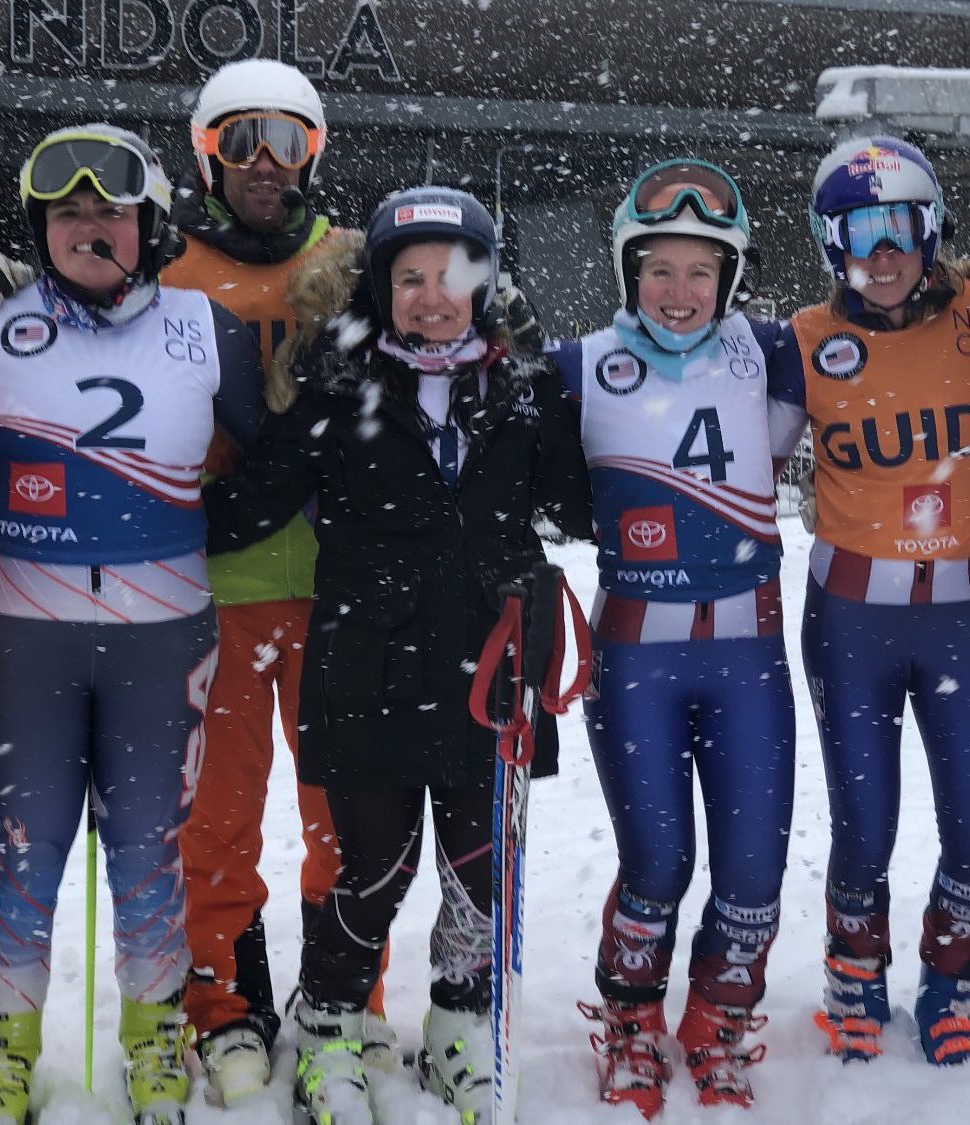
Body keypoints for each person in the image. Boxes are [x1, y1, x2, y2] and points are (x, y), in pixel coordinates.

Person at [204, 185, 592, 1125]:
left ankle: (460, 1018)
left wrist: (554, 383)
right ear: (379, 286)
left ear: (485, 283)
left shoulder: (521, 386)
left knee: (476, 866)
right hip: (368, 664)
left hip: (488, 666)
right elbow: (245, 507)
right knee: (374, 868)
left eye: (453, 274)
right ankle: (331, 1018)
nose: (431, 294)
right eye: (408, 276)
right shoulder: (339, 384)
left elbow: (577, 508)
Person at [0, 124, 266, 1125]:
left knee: (150, 846)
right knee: (24, 847)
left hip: (162, 638)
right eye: (65, 212)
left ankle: (154, 1030)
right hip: (28, 636)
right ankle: (7, 1040)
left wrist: (204, 524)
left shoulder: (213, 328)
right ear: (38, 230)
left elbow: (287, 455)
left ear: (148, 224)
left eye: (108, 210)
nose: (87, 227)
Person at [167, 58, 410, 1104]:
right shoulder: (165, 268)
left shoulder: (360, 261)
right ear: (205, 152)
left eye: (285, 139)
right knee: (215, 814)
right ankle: (221, 1001)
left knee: (346, 813)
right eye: (239, 139)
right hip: (215, 582)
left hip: (341, 586)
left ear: (314, 150)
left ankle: (342, 993)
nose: (263, 162)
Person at [546, 160, 801, 1118]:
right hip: (637, 655)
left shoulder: (774, 350)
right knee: (656, 862)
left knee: (752, 871)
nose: (680, 292)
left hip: (748, 654)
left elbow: (885, 344)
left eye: (703, 271)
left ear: (732, 278)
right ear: (626, 271)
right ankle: (630, 1018)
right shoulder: (579, 364)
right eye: (658, 268)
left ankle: (718, 1026)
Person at [772, 136, 970, 1067]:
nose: (883, 253)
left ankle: (952, 984)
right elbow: (722, 439)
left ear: (933, 231)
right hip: (851, 618)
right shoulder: (802, 339)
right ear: (829, 241)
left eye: (902, 229)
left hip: (961, 611)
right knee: (864, 822)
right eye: (860, 232)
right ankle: (856, 972)